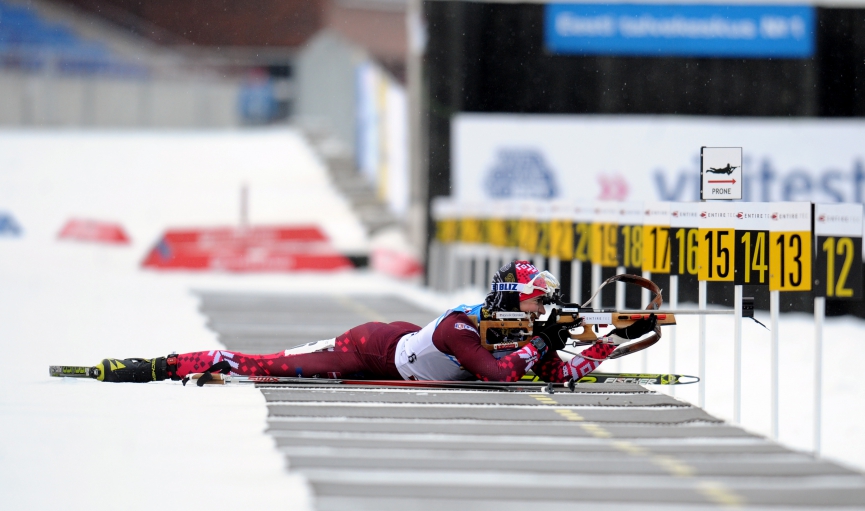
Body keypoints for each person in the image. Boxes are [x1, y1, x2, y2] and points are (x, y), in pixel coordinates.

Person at [95, 260, 656, 384]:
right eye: (540, 304)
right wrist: (543, 345)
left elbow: (559, 376)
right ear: (515, 299)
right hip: (372, 348)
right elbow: (498, 375)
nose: (546, 314)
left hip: (407, 346)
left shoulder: (519, 330)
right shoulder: (459, 329)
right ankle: (162, 365)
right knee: (260, 365)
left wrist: (610, 341)